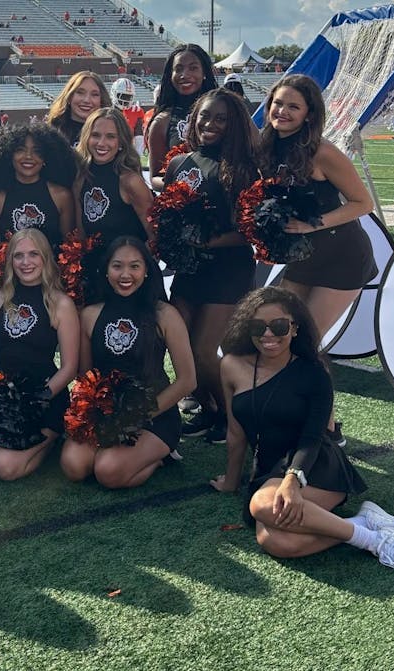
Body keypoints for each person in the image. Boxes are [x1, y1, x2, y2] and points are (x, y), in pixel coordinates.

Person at [209, 287, 394, 574]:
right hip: (269, 468)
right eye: (257, 326)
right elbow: (236, 432)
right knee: (275, 541)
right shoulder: (232, 365)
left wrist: (292, 480)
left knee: (263, 505)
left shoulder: (315, 372)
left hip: (316, 463)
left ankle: (377, 542)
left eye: (279, 326)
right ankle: (363, 523)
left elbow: (314, 436)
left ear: (295, 328)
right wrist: (231, 481)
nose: (268, 335)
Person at [255, 74, 375, 444]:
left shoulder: (322, 151)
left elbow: (362, 203)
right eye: (278, 103)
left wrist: (313, 224)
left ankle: (327, 428)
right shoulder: (265, 148)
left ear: (309, 114)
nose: (283, 111)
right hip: (301, 258)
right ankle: (291, 415)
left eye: (294, 106)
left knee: (307, 342)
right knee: (281, 335)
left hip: (341, 256)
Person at [60, 237, 195, 486]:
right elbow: (85, 376)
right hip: (108, 413)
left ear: (146, 272)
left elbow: (187, 381)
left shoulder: (165, 314)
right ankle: (122, 454)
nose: (125, 274)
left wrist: (140, 416)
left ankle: (160, 456)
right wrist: (95, 416)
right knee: (74, 466)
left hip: (155, 413)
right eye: (117, 266)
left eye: (134, 266)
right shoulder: (89, 315)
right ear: (106, 271)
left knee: (108, 472)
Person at [163, 89, 258, 443]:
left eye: (220, 119)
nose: (210, 124)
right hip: (190, 270)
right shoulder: (178, 163)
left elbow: (249, 231)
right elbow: (169, 217)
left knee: (203, 349)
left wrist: (208, 241)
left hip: (227, 271)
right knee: (179, 346)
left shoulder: (243, 168)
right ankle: (210, 409)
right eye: (205, 116)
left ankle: (236, 420)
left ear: (233, 124)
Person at [0, 228, 79, 480]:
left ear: (46, 258)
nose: (26, 262)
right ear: (10, 261)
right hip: (3, 395)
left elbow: (69, 367)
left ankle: (50, 438)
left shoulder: (61, 303)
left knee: (4, 468)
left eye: (34, 254)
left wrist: (38, 398)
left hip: (42, 397)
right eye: (19, 256)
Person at [74, 108, 153, 303]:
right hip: (96, 278)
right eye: (95, 135)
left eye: (110, 137)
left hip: (131, 282)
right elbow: (81, 236)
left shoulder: (130, 181)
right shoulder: (80, 179)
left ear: (121, 143)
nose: (102, 143)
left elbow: (155, 236)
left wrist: (133, 273)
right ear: (86, 138)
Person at [0, 122, 76, 251]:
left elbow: (69, 249)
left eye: (37, 151)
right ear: (8, 154)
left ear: (47, 156)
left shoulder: (62, 196)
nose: (29, 156)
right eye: (20, 150)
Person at [147, 44, 218, 190]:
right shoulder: (162, 122)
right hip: (185, 207)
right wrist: (183, 187)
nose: (184, 75)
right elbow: (155, 178)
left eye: (193, 68)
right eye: (178, 69)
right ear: (170, 75)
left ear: (204, 71)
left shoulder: (227, 111)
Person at [46, 71, 111, 146]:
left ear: (101, 100)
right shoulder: (52, 133)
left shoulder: (114, 132)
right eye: (80, 92)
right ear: (69, 96)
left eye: (94, 94)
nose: (87, 100)